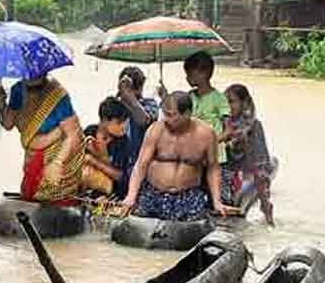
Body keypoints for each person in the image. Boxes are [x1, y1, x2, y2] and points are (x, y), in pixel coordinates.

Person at [121, 91, 237, 221]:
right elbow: (141, 165)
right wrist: (131, 196)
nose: (166, 119)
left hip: (189, 196)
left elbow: (213, 168)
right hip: (154, 194)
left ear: (187, 114)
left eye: (171, 115)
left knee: (197, 232)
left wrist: (217, 201)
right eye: (165, 114)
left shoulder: (206, 135)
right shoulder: (156, 130)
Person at [0, 76, 85, 204]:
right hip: (32, 154)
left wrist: (57, 163)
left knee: (55, 198)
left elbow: (73, 134)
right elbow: (8, 124)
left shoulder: (57, 95)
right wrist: (1, 104)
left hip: (57, 153)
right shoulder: (18, 90)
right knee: (29, 194)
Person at [220, 84, 276, 226]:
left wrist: (264, 201)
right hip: (223, 170)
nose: (227, 106)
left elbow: (257, 163)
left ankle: (265, 208)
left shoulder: (253, 127)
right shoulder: (220, 123)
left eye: (231, 102)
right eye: (224, 102)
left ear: (244, 103)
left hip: (245, 169)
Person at [113, 66, 160, 198]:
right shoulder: (116, 104)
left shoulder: (150, 104)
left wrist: (129, 97)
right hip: (118, 164)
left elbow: (144, 120)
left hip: (140, 164)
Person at [183, 52, 228, 163]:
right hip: (194, 155)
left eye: (190, 74)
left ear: (204, 73)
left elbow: (228, 131)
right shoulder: (189, 97)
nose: (187, 78)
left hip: (214, 156)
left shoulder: (218, 98)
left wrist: (211, 142)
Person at [81, 97, 130, 196]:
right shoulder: (89, 133)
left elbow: (121, 177)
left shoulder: (123, 142)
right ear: (104, 120)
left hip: (110, 196)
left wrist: (94, 161)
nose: (123, 127)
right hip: (84, 193)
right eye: (119, 123)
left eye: (125, 123)